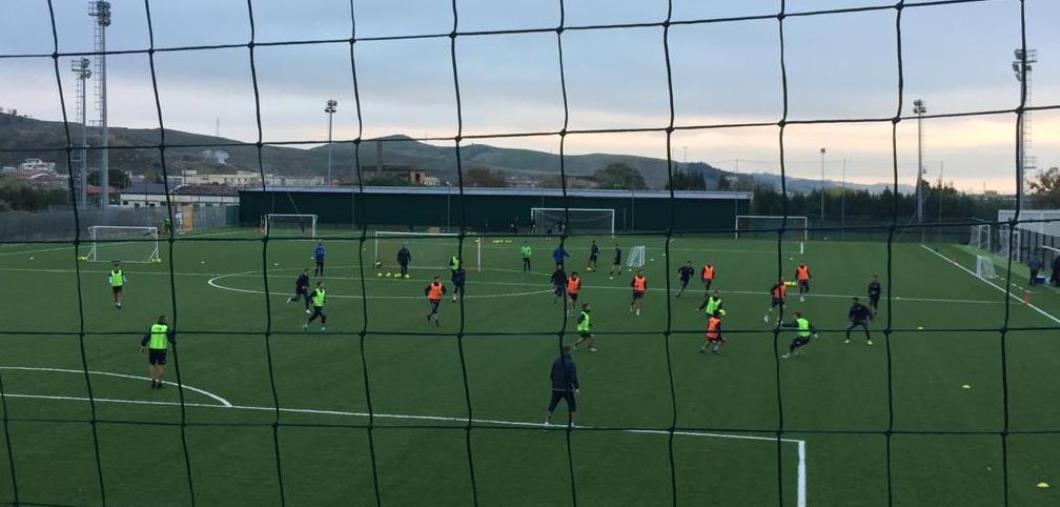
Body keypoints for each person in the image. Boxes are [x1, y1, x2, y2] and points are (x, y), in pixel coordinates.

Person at [544, 345, 579, 427]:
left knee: (552, 405)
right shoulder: (571, 363)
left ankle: (546, 422)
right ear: (568, 351)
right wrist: (576, 388)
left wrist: (555, 384)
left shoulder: (556, 361)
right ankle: (572, 423)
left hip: (556, 388)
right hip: (567, 389)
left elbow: (552, 375)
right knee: (572, 405)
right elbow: (573, 377)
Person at [139, 315, 174, 389]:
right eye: (166, 320)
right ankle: (159, 384)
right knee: (161, 367)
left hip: (152, 349)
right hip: (162, 350)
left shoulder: (153, 327)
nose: (168, 321)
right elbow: (171, 340)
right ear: (163, 320)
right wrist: (174, 340)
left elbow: (146, 337)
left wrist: (143, 345)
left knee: (152, 365)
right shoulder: (166, 328)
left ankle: (153, 382)